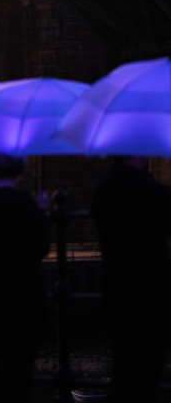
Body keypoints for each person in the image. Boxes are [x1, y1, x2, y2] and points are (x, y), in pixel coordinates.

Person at [90, 156, 171, 402]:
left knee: (123, 365)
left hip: (116, 289)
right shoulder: (158, 194)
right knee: (150, 370)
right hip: (152, 291)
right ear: (141, 155)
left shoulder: (102, 193)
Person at [0, 153, 48, 403]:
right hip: (26, 294)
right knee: (22, 368)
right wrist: (43, 213)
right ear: (20, 171)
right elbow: (41, 247)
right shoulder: (25, 204)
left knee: (3, 364)